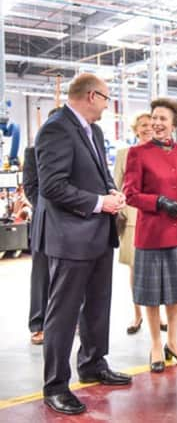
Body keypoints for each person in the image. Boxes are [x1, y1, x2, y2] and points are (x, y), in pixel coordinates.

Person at [35, 73, 132, 415]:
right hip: (70, 237)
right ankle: (56, 385)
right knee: (63, 313)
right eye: (107, 98)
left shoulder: (94, 130)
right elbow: (52, 186)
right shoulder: (56, 128)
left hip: (97, 234)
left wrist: (111, 192)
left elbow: (99, 172)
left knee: (97, 305)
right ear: (92, 96)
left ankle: (93, 363)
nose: (108, 104)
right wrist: (97, 202)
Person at [124, 98, 177, 373]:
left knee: (175, 294)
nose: (157, 123)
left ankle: (173, 342)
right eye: (154, 118)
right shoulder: (138, 153)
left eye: (163, 119)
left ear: (174, 124)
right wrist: (158, 202)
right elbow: (131, 194)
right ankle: (156, 345)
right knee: (150, 295)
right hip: (150, 234)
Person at [113, 113, 167, 335]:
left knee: (159, 269)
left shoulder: (164, 153)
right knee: (136, 269)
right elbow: (115, 186)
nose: (147, 128)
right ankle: (137, 314)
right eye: (143, 125)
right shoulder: (124, 154)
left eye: (151, 125)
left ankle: (159, 314)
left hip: (159, 217)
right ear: (136, 129)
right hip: (133, 219)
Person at [23, 107, 61, 346]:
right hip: (44, 220)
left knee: (69, 274)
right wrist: (50, 209)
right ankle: (38, 323)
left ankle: (71, 317)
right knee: (41, 275)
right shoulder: (33, 152)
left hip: (72, 222)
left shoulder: (75, 151)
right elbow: (30, 187)